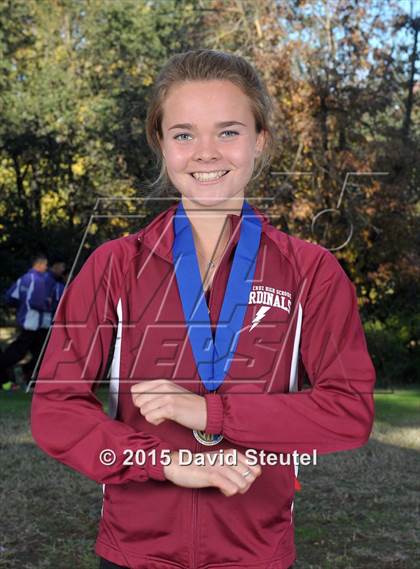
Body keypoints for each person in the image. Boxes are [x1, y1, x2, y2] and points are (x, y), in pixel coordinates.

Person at [30, 49, 376, 569]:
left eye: (229, 131)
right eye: (185, 134)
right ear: (162, 145)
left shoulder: (312, 271)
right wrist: (165, 461)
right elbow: (56, 409)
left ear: (260, 141)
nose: (206, 153)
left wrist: (211, 411)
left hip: (256, 553)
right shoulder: (114, 266)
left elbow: (349, 411)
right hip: (136, 554)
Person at [1, 253, 49, 390]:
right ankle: (17, 374)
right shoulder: (38, 280)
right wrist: (48, 305)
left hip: (27, 321)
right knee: (22, 352)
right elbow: (37, 303)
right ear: (39, 265)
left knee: (39, 353)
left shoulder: (23, 279)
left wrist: (21, 308)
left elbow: (10, 297)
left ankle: (29, 378)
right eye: (45, 265)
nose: (46, 268)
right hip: (33, 323)